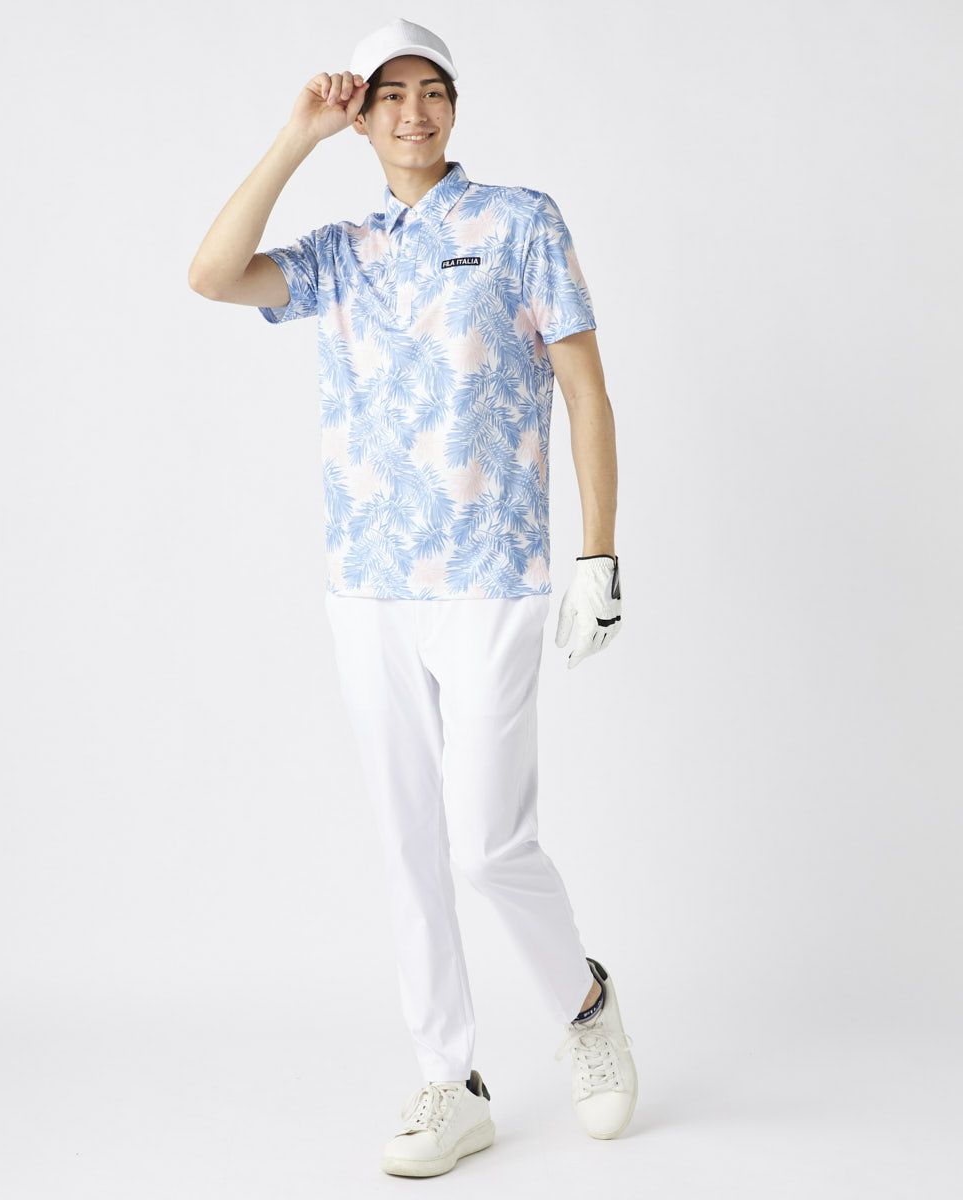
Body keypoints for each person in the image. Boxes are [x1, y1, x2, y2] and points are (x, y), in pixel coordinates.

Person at [189, 16, 637, 1178]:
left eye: (431, 89)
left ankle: (583, 1006)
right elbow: (212, 275)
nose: (412, 111)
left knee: (487, 841)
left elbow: (585, 391)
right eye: (388, 94)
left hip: (491, 576)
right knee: (408, 841)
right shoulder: (341, 251)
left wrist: (597, 555)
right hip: (368, 585)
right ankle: (452, 1079)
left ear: (454, 104)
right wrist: (295, 135)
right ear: (361, 115)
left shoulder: (520, 223)